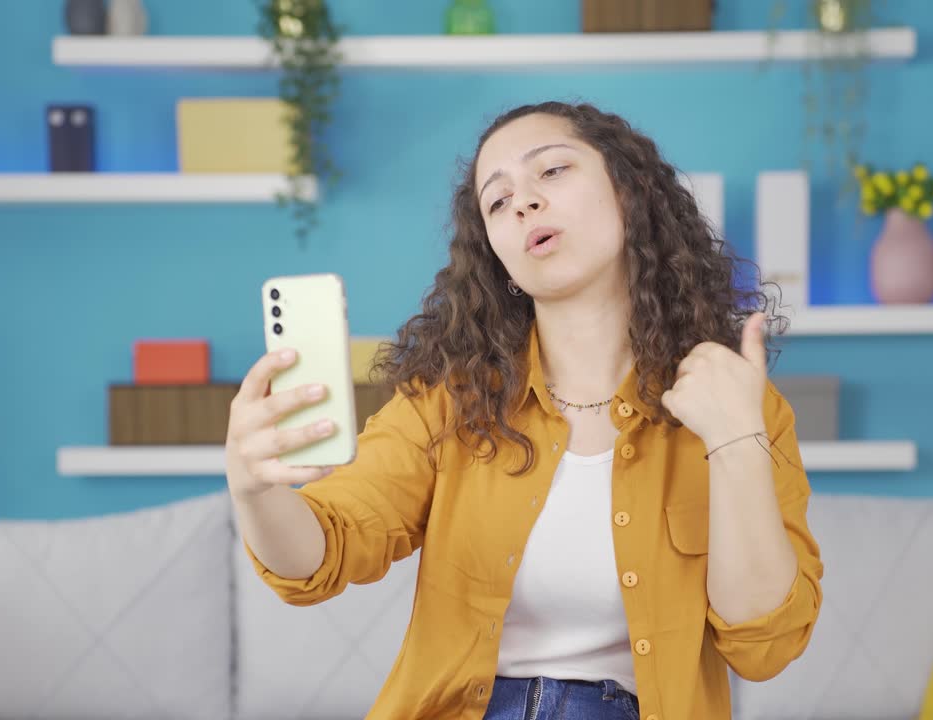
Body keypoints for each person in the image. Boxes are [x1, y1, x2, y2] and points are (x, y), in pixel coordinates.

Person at [226, 100, 824, 720]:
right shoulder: (451, 400)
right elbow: (326, 551)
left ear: (630, 192)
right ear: (499, 257)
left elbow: (765, 646)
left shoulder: (737, 401)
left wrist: (734, 442)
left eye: (553, 171)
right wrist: (255, 493)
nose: (522, 202)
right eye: (497, 200)